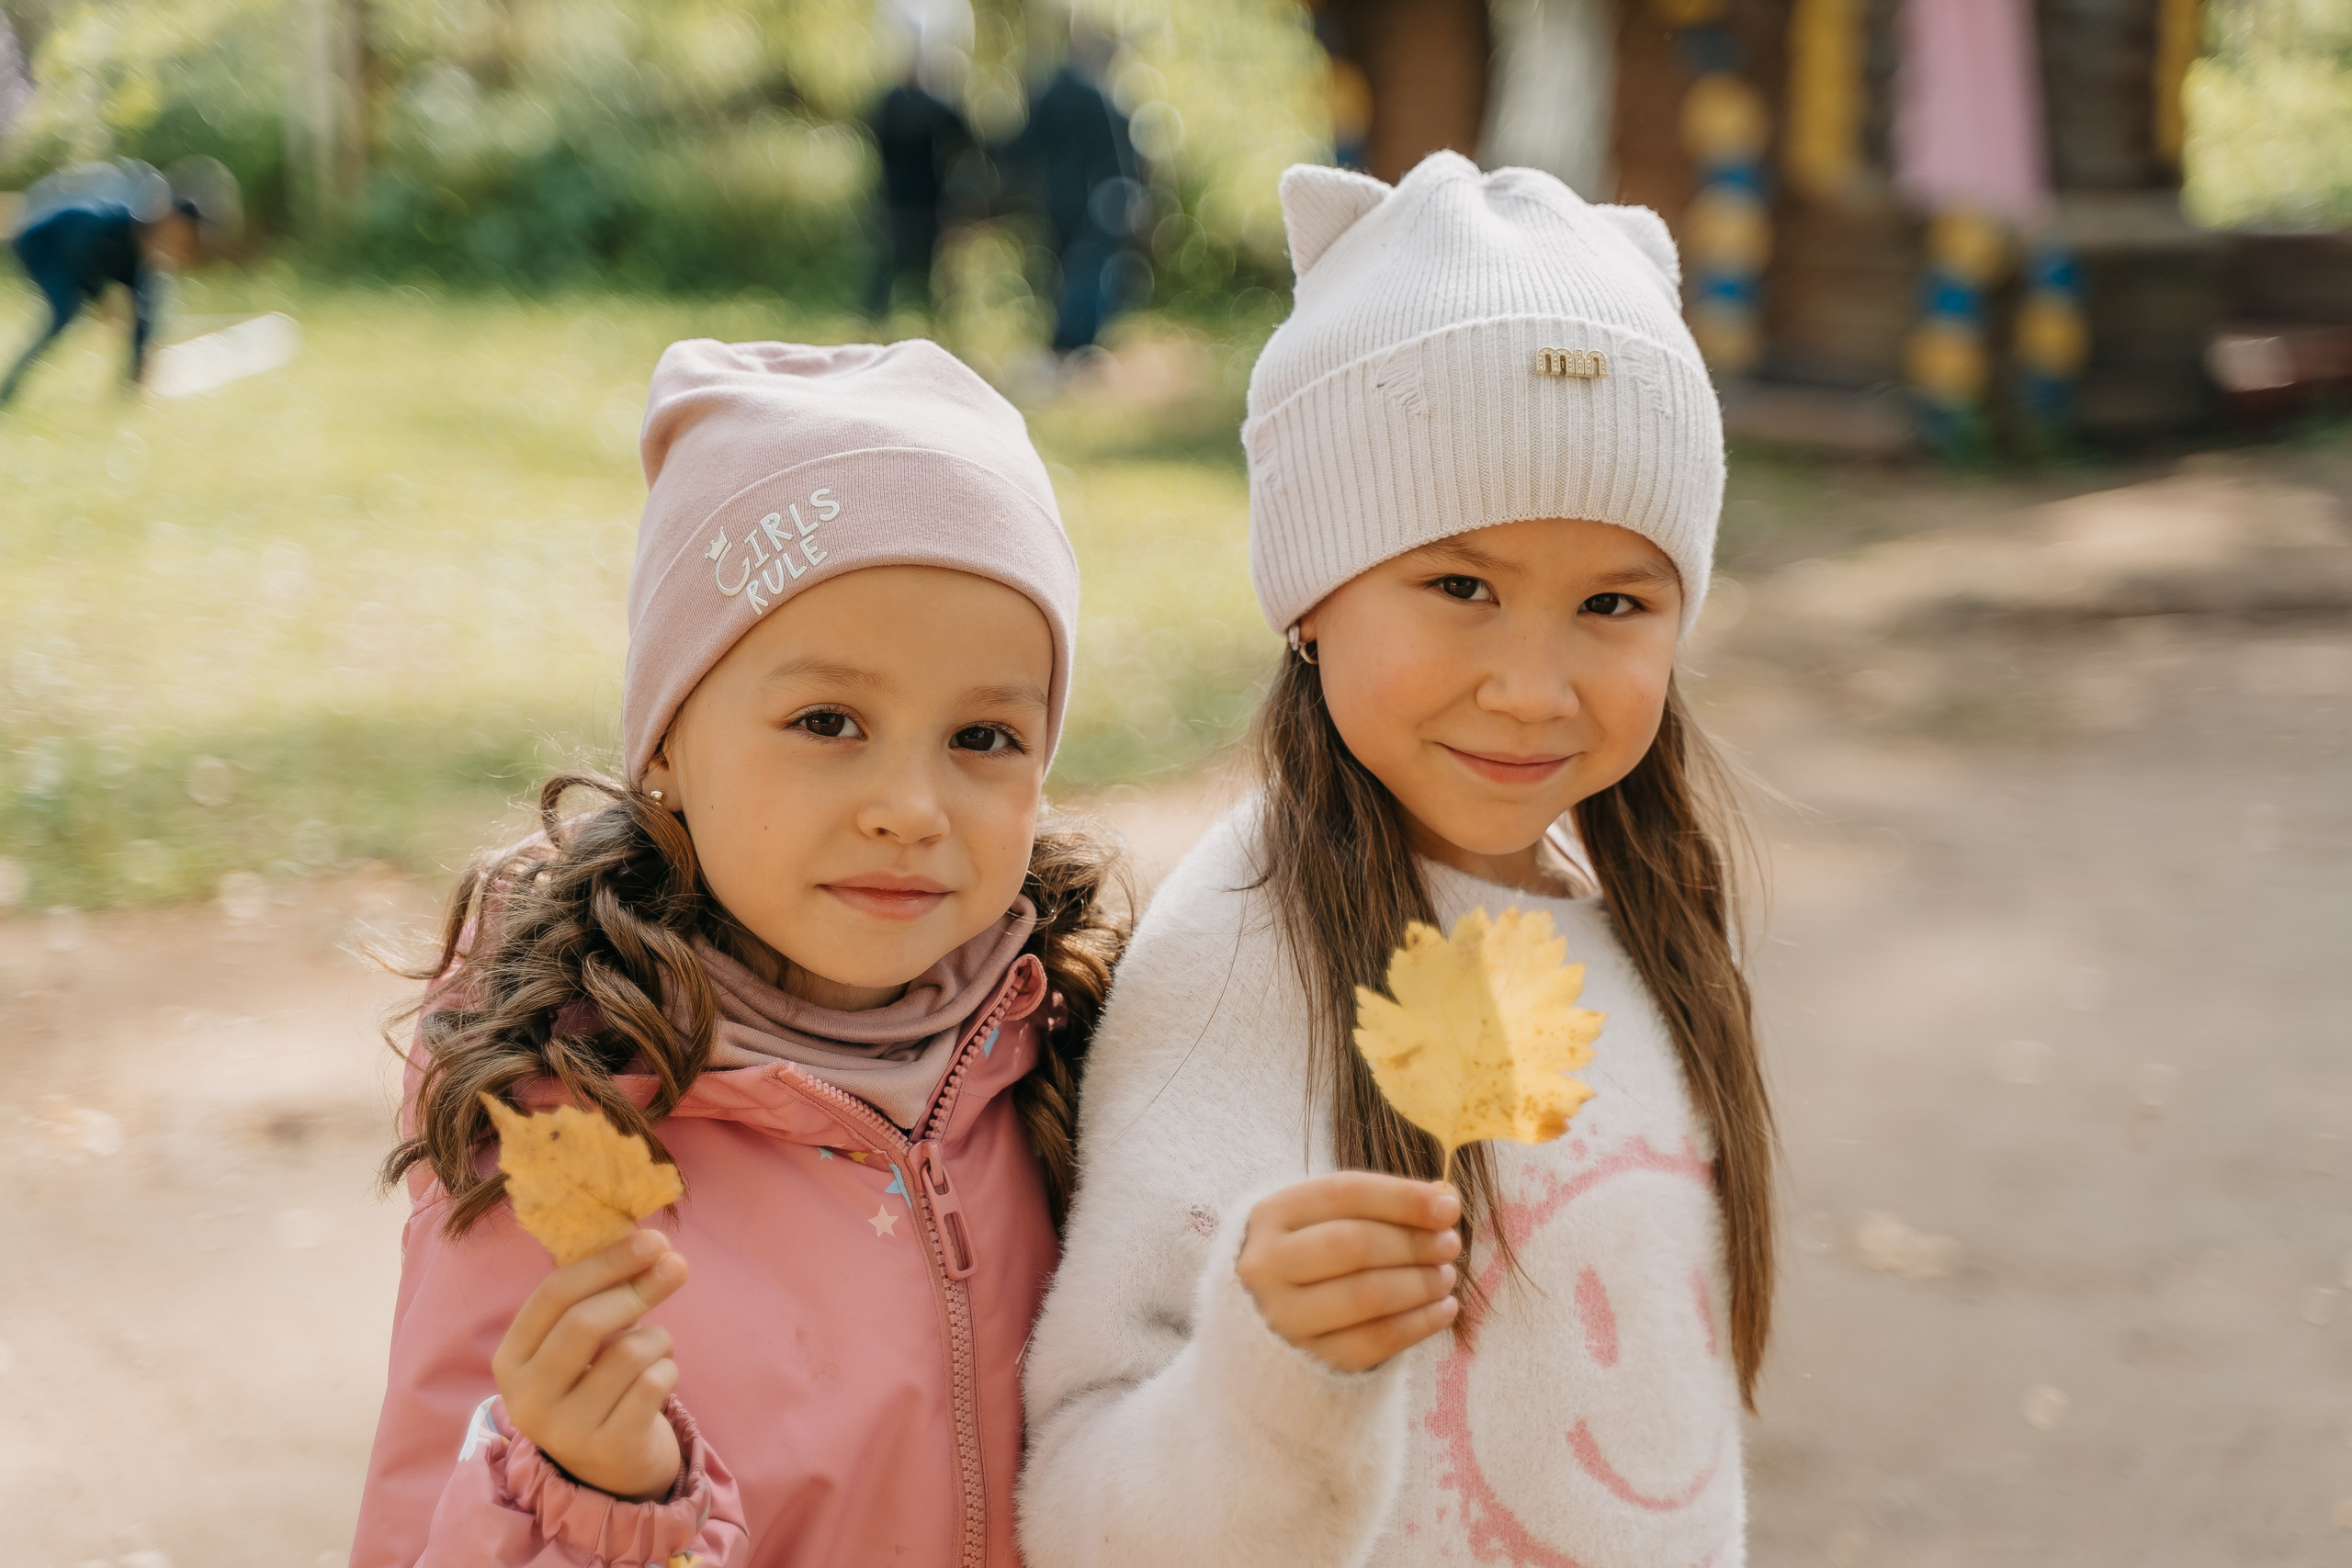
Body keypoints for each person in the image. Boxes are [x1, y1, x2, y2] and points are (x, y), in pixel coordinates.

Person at [1016, 152, 1775, 1567]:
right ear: (1311, 595)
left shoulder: (1648, 931)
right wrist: (1266, 1383)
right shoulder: (1236, 962)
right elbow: (1076, 1502)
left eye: (1613, 603)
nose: (1533, 686)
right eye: (1462, 586)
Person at [348, 336, 1124, 1565]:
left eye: (983, 736)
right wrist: (599, 1501)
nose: (910, 807)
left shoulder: (1078, 1052)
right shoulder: (555, 1125)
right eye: (828, 720)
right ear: (666, 742)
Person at [1, 171, 206, 408]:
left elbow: (144, 317)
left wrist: (140, 364)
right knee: (65, 311)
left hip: (72, 258)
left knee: (134, 314)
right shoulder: (118, 227)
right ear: (168, 217)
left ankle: (127, 396)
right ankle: (7, 393)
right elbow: (80, 254)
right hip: (42, 245)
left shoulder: (145, 260)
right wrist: (101, 300)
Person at [1005, 30, 1138, 355]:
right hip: (1093, 202)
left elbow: (1023, 146)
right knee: (1088, 270)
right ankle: (1076, 344)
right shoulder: (1100, 98)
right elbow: (1116, 159)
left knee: (1064, 270)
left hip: (1054, 198)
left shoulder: (1049, 93)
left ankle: (1066, 344)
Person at [865, 64, 978, 319]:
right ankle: (925, 321)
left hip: (901, 203)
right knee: (902, 273)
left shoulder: (888, 105)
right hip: (917, 203)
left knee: (894, 272)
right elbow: (963, 132)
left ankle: (885, 321)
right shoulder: (930, 106)